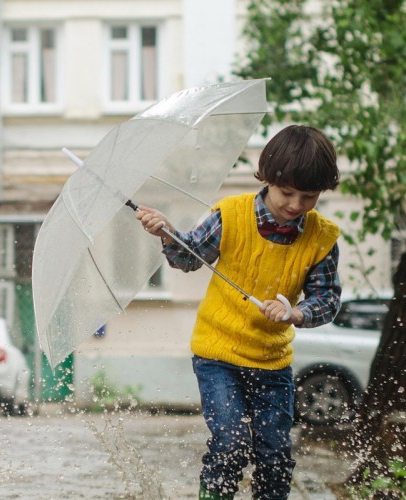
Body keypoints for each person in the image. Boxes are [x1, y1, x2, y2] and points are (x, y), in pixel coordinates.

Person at [136, 124, 342, 499]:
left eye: (308, 196)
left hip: (272, 361)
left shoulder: (322, 238)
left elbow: (327, 299)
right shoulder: (230, 215)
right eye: (287, 193)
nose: (295, 205)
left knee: (275, 457)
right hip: (218, 355)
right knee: (231, 444)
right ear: (266, 179)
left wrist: (295, 313)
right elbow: (188, 257)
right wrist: (167, 232)